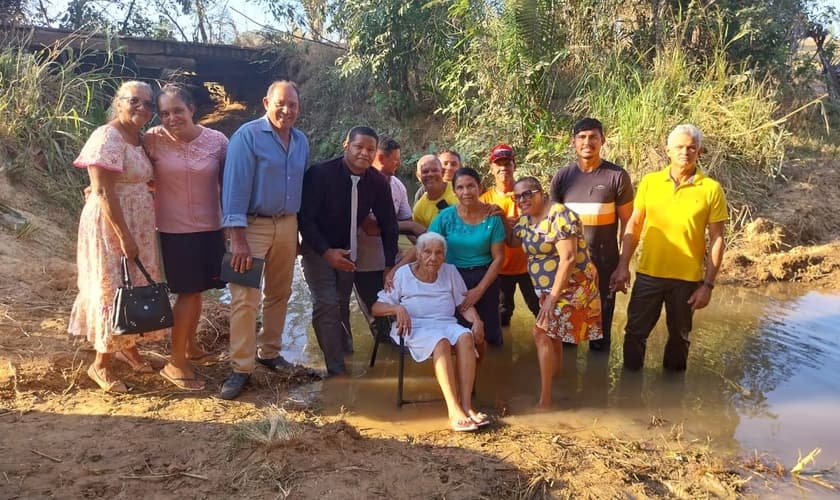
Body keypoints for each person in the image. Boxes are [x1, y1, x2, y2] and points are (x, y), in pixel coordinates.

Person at [68, 80, 165, 393]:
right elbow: (103, 190)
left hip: (138, 221)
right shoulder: (107, 135)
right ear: (119, 101)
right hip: (113, 224)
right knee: (112, 289)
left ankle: (128, 347)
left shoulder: (137, 138)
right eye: (135, 101)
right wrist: (124, 236)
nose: (142, 108)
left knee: (133, 286)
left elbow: (138, 179)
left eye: (149, 104)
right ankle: (101, 365)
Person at [611, 124, 727, 371]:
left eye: (691, 148)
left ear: (699, 152)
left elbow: (717, 238)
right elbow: (634, 224)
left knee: (679, 339)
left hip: (686, 281)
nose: (685, 152)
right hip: (648, 274)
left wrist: (707, 286)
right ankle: (628, 392)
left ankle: (672, 398)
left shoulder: (711, 189)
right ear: (668, 151)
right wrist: (623, 265)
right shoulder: (650, 182)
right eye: (680, 147)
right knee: (634, 334)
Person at [219, 80, 309, 400]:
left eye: (293, 105)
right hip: (251, 227)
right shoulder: (247, 136)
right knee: (245, 298)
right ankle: (241, 368)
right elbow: (234, 188)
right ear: (266, 102)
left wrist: (298, 232)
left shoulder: (300, 141)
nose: (287, 110)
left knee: (281, 292)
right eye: (280, 103)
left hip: (287, 224)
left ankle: (269, 353)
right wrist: (238, 238)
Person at [142, 83, 229, 391]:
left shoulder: (217, 141)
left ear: (192, 109)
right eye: (164, 113)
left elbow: (228, 184)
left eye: (178, 110)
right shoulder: (152, 140)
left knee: (199, 290)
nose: (171, 118)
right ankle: (175, 362)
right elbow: (135, 168)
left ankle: (190, 347)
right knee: (187, 292)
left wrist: (231, 225)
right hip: (174, 230)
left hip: (211, 227)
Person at [299, 126, 399, 376]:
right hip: (317, 247)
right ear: (346, 145)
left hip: (349, 251)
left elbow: (389, 223)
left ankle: (345, 350)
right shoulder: (320, 174)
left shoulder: (376, 181)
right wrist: (326, 253)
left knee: (342, 302)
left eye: (370, 149)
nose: (364, 153)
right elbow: (306, 220)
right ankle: (337, 370)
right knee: (326, 303)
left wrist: (389, 265)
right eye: (359, 147)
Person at [372, 232, 488, 432]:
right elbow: (376, 307)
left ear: (444, 256)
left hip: (445, 322)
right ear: (417, 253)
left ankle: (467, 405)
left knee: (466, 336)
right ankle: (454, 410)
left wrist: (477, 321)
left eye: (438, 253)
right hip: (415, 327)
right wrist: (397, 309)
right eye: (427, 252)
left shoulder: (450, 271)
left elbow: (464, 305)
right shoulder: (402, 275)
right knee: (440, 341)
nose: (433, 258)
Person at [509, 177, 603, 408]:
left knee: (540, 332)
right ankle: (556, 384)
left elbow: (569, 258)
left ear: (541, 193)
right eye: (517, 197)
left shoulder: (559, 215)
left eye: (527, 194)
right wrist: (500, 218)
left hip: (573, 286)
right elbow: (513, 243)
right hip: (547, 289)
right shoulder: (526, 219)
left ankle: (545, 401)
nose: (522, 200)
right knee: (553, 336)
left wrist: (551, 299)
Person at [550, 118, 633, 351]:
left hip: (604, 267)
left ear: (602, 140)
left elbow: (629, 224)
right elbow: (554, 226)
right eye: (582, 137)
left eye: (593, 137)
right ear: (573, 142)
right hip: (570, 267)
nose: (588, 142)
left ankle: (599, 384)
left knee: (600, 338)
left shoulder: (616, 176)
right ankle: (565, 386)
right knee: (568, 337)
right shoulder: (563, 178)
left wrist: (623, 265)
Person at [354, 137, 426, 340]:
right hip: (364, 263)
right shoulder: (361, 183)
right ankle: (382, 365)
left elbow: (407, 221)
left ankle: (404, 356)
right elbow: (371, 228)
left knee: (401, 312)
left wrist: (424, 251)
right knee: (376, 319)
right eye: (396, 159)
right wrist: (411, 226)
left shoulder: (398, 186)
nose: (399, 163)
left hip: (393, 262)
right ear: (380, 157)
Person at [425, 168, 506, 345]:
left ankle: (497, 368)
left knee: (490, 334)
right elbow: (424, 245)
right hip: (453, 278)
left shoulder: (492, 217)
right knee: (459, 332)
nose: (466, 192)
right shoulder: (445, 217)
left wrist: (479, 290)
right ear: (454, 191)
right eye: (460, 188)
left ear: (480, 187)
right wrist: (398, 269)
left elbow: (499, 258)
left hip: (485, 276)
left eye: (471, 186)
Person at [479, 144, 540, 326]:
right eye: (499, 164)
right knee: (502, 315)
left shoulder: (526, 195)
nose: (503, 168)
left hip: (530, 266)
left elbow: (542, 221)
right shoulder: (485, 200)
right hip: (500, 269)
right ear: (492, 169)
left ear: (514, 166)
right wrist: (504, 222)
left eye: (507, 163)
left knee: (540, 309)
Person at [412, 155, 458, 228]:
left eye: (434, 170)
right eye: (425, 172)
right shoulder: (419, 210)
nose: (430, 174)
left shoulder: (459, 190)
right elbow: (424, 237)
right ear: (418, 176)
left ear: (442, 172)